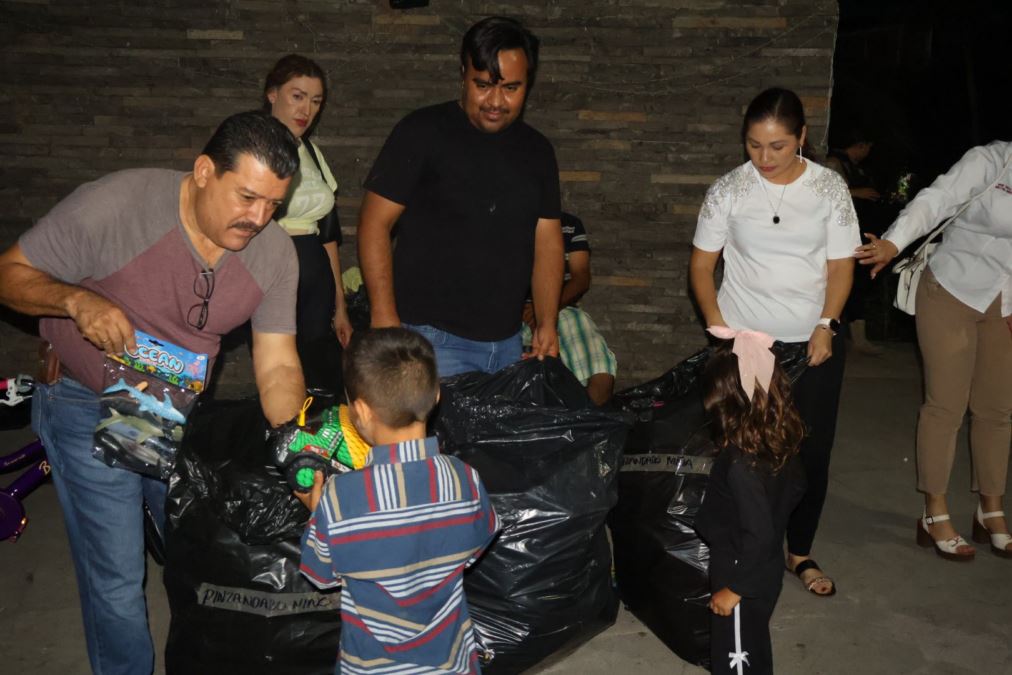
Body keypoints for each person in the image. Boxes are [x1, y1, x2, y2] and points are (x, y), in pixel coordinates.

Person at [0, 110, 307, 674]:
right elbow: (8, 273)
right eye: (246, 197)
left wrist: (298, 448)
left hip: (173, 413)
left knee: (203, 556)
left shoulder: (274, 253)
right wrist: (75, 301)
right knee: (118, 578)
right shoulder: (117, 206)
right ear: (204, 172)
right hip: (85, 401)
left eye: (274, 204)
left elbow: (279, 365)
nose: (259, 219)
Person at [690, 87, 860, 597]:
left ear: (801, 137)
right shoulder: (729, 189)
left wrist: (827, 324)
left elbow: (840, 267)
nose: (764, 157)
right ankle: (743, 551)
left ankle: (799, 550)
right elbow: (701, 266)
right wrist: (720, 327)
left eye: (778, 146)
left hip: (813, 342)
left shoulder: (829, 188)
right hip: (748, 342)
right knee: (744, 454)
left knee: (810, 452)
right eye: (754, 145)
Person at [357, 15, 564, 378]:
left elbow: (547, 240)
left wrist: (547, 323)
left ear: (528, 83)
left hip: (509, 343)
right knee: (424, 423)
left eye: (511, 88)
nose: (495, 101)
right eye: (483, 85)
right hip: (429, 340)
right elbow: (374, 223)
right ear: (463, 75)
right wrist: (385, 317)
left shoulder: (538, 151)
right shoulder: (421, 131)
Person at [297, 327, 500, 673]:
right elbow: (477, 545)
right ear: (436, 395)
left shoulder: (339, 499)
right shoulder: (465, 479)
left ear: (361, 411)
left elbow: (321, 575)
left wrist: (316, 511)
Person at [855, 140, 1012, 561]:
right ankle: (934, 512)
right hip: (952, 290)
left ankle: (991, 510)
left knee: (997, 409)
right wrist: (894, 242)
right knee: (946, 405)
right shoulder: (992, 162)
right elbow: (936, 199)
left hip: (1005, 302)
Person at [695, 327, 806, 675]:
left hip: (741, 572)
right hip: (763, 567)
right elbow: (797, 488)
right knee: (752, 645)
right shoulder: (778, 446)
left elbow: (759, 534)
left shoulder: (740, 463)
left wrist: (735, 589)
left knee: (736, 658)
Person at [263, 54, 352, 391]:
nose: (306, 110)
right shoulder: (254, 146)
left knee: (319, 379)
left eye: (316, 101)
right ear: (273, 94)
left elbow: (328, 234)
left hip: (316, 274)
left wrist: (340, 306)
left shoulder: (312, 152)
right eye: (297, 96)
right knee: (281, 373)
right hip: (276, 271)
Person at [522, 212, 617, 405]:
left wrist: (548, 310)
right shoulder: (506, 221)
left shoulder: (570, 224)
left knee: (599, 369)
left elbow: (581, 277)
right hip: (511, 313)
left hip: (560, 308)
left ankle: (589, 417)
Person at [825, 127, 889, 354]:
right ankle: (843, 335)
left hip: (862, 232)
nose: (868, 152)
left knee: (861, 283)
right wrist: (857, 192)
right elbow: (830, 192)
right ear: (860, 145)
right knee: (848, 281)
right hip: (844, 235)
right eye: (868, 147)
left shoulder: (856, 167)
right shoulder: (834, 163)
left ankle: (858, 337)